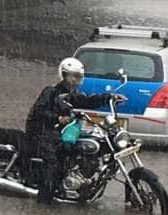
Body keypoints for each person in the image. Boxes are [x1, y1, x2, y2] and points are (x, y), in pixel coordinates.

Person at [25, 58, 125, 204]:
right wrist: (58, 118)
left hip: (57, 131)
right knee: (53, 163)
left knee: (78, 146)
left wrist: (109, 97)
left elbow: (87, 101)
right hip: (39, 132)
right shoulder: (51, 91)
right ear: (64, 75)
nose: (76, 80)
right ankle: (45, 200)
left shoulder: (71, 94)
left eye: (79, 77)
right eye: (74, 76)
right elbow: (40, 110)